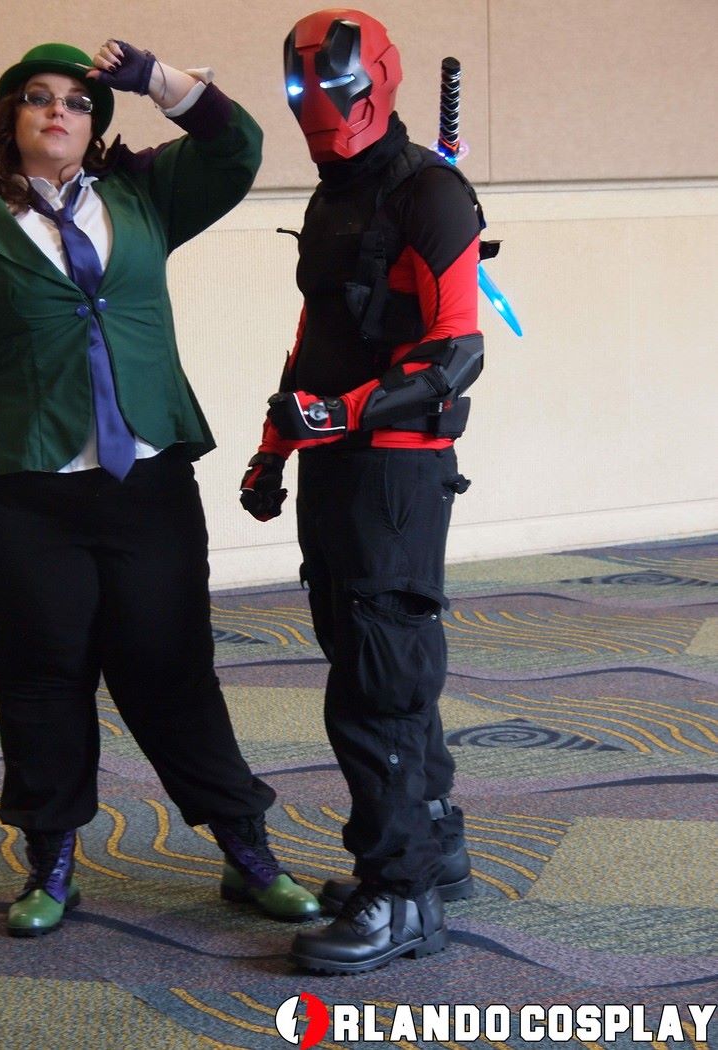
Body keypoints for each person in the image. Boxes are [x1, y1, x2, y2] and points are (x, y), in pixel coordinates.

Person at [0, 39, 320, 936]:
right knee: (41, 674)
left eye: (77, 100)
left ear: (95, 122)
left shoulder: (143, 196)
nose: (58, 110)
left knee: (171, 665)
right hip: (12, 491)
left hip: (145, 480)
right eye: (37, 97)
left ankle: (246, 849)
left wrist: (155, 81)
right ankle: (51, 861)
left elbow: (237, 147)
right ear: (10, 118)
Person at [240, 10, 483, 974]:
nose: (322, 108)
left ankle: (401, 893)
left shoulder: (431, 193)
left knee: (377, 683)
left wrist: (339, 415)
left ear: (377, 79)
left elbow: (456, 350)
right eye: (303, 91)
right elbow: (317, 334)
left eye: (336, 88)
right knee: (370, 657)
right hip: (334, 463)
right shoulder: (336, 195)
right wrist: (274, 446)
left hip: (396, 469)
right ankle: (431, 844)